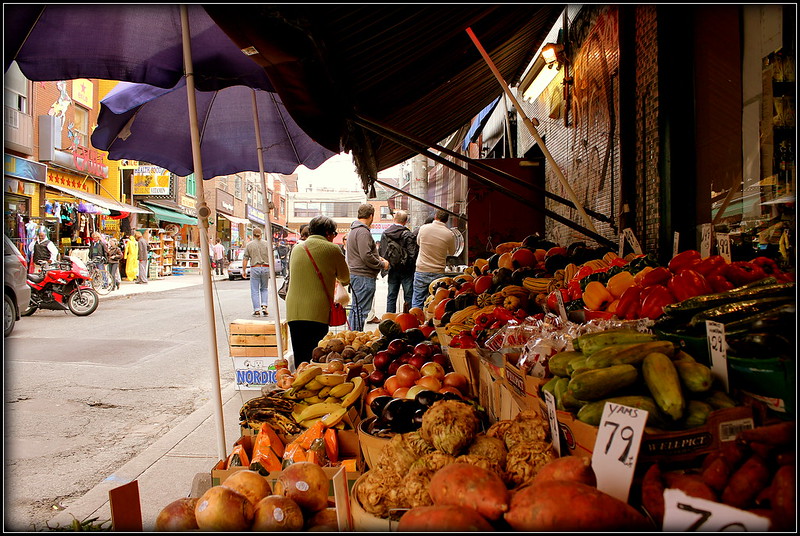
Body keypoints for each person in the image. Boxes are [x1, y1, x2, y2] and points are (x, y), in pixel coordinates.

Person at [286, 215, 349, 369]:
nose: (334, 237)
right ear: (328, 233)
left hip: (294, 309)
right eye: (334, 234)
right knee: (316, 358)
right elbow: (345, 278)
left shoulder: (297, 248)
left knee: (301, 357)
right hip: (317, 310)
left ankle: (298, 386)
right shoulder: (333, 249)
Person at [345, 203, 389, 331]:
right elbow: (366, 256)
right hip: (363, 276)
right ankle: (355, 337)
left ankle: (353, 336)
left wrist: (377, 257)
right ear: (371, 216)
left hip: (356, 275)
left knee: (356, 310)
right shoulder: (363, 232)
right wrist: (382, 264)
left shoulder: (354, 231)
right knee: (360, 311)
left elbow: (362, 254)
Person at [412, 210, 456, 310]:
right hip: (438, 272)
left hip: (421, 270)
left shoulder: (423, 229)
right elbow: (452, 252)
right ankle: (431, 322)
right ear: (446, 220)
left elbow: (419, 243)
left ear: (435, 216)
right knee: (436, 301)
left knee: (418, 300)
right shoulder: (449, 234)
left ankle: (415, 320)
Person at [380, 210, 418, 314]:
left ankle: (389, 319)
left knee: (391, 296)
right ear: (406, 221)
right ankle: (409, 319)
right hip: (407, 271)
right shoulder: (408, 234)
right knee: (409, 296)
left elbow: (382, 253)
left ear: (394, 219)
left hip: (392, 270)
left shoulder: (385, 234)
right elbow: (413, 254)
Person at [241, 227, 272, 316]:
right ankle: (264, 305)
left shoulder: (249, 245)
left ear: (253, 235)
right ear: (261, 234)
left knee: (254, 289)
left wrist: (244, 270)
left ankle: (257, 309)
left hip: (255, 267)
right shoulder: (267, 244)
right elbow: (271, 257)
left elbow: (245, 258)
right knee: (264, 288)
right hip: (266, 267)